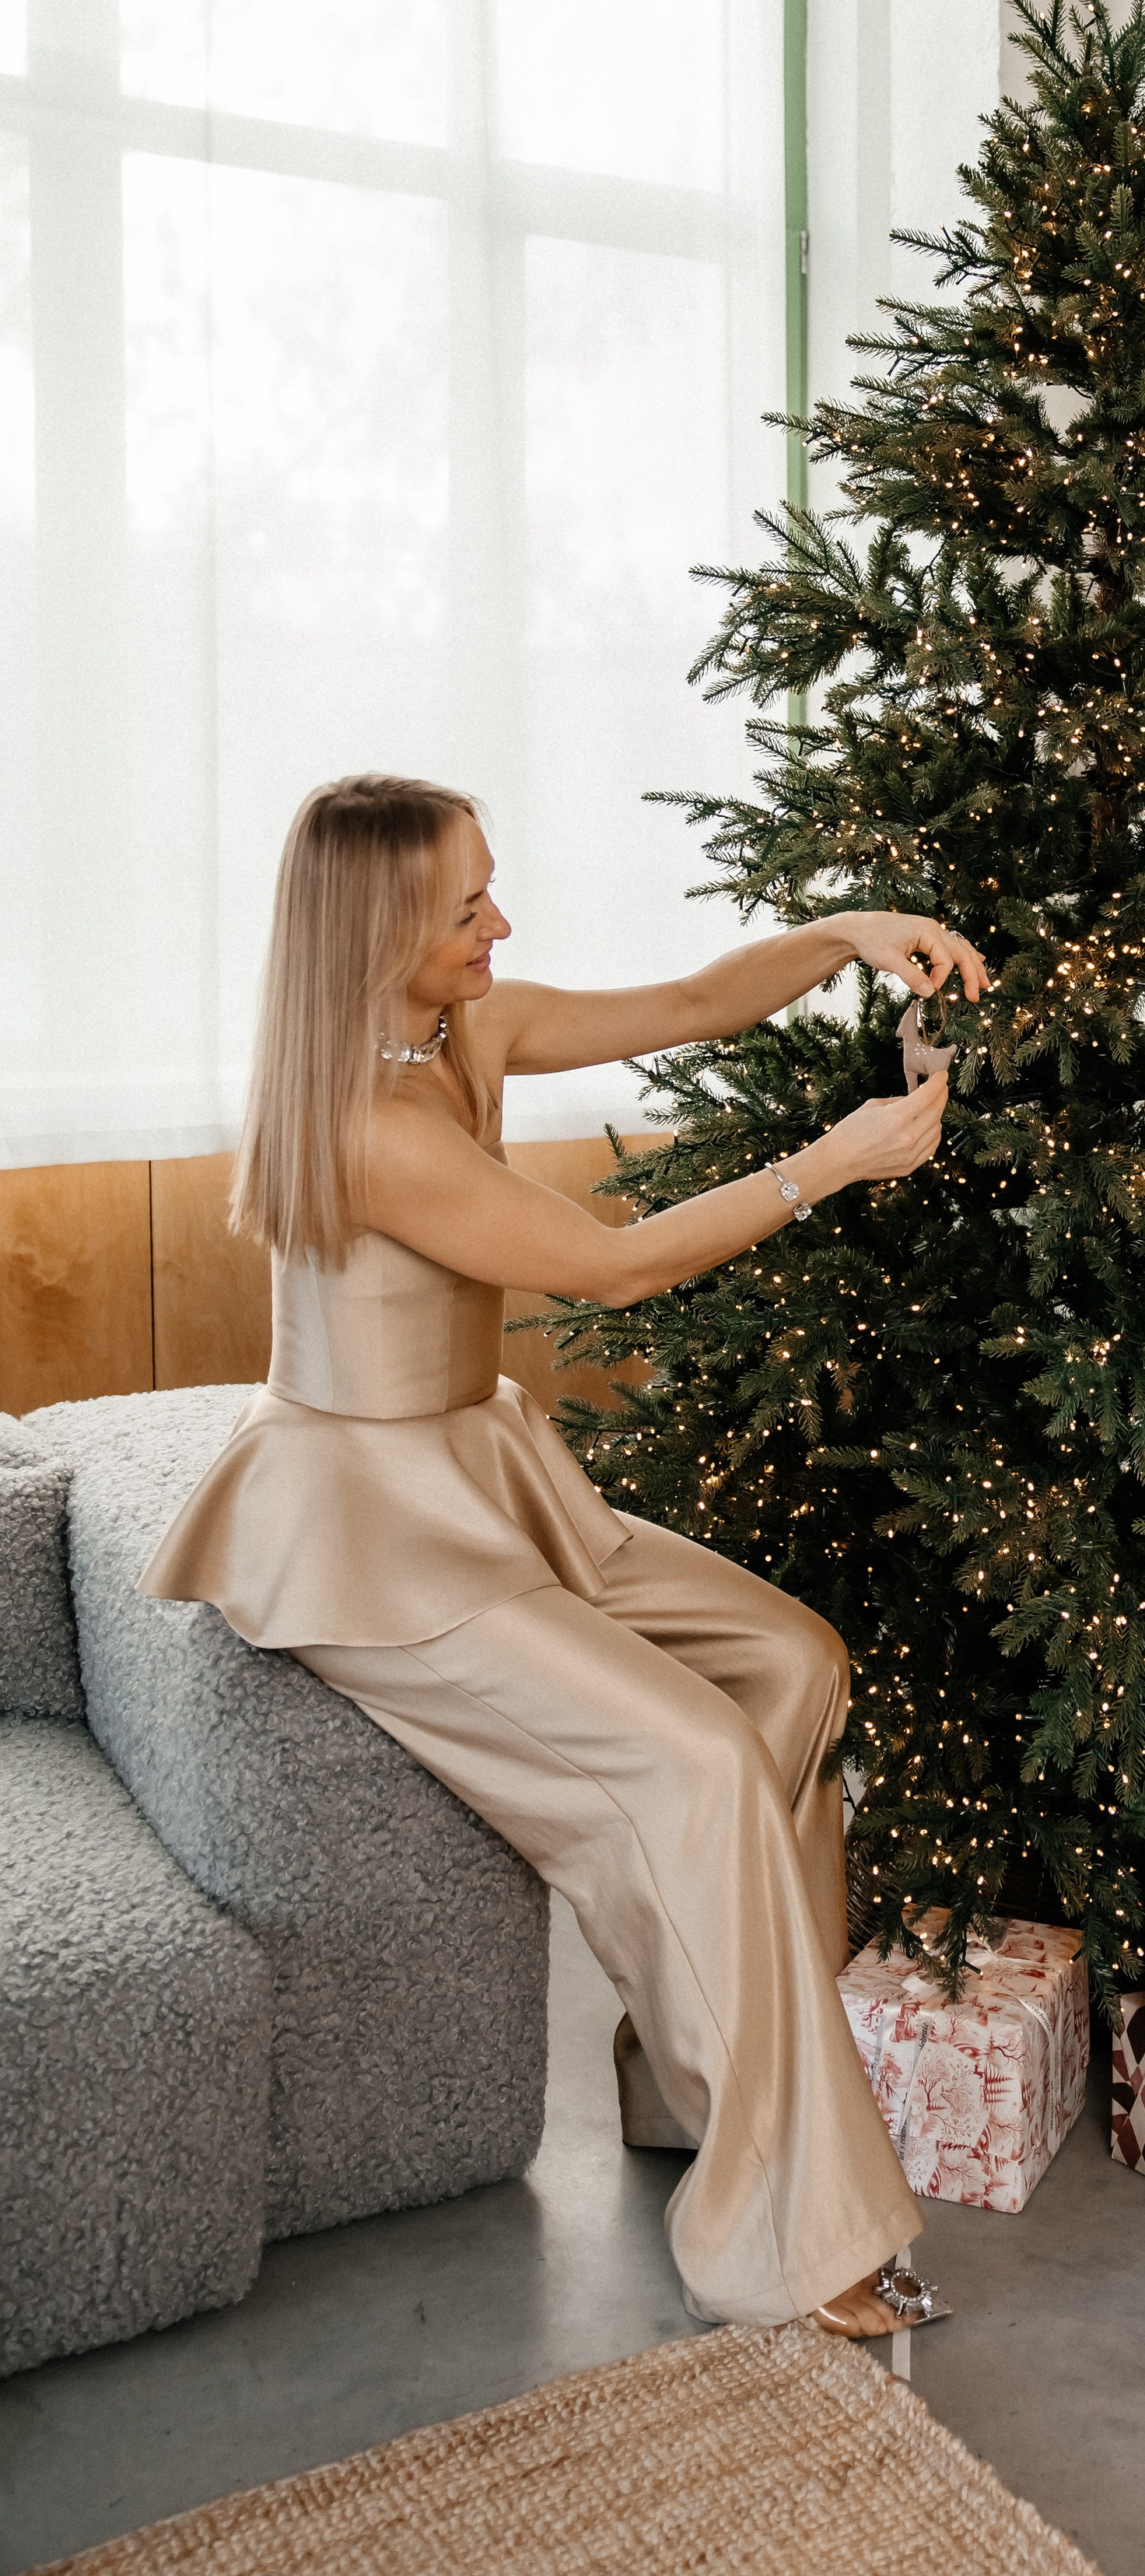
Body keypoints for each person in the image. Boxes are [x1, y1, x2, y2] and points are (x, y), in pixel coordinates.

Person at [140, 772, 988, 2341]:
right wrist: (834, 1161)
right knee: (700, 1764)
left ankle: (706, 2085)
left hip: (483, 1473)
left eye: (488, 888)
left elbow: (685, 1000)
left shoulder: (461, 1028)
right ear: (380, 927)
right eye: (466, 906)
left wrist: (841, 933)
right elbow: (608, 1266)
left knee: (793, 1664)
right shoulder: (364, 1119)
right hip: (378, 1540)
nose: (498, 923)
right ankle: (789, 2242)